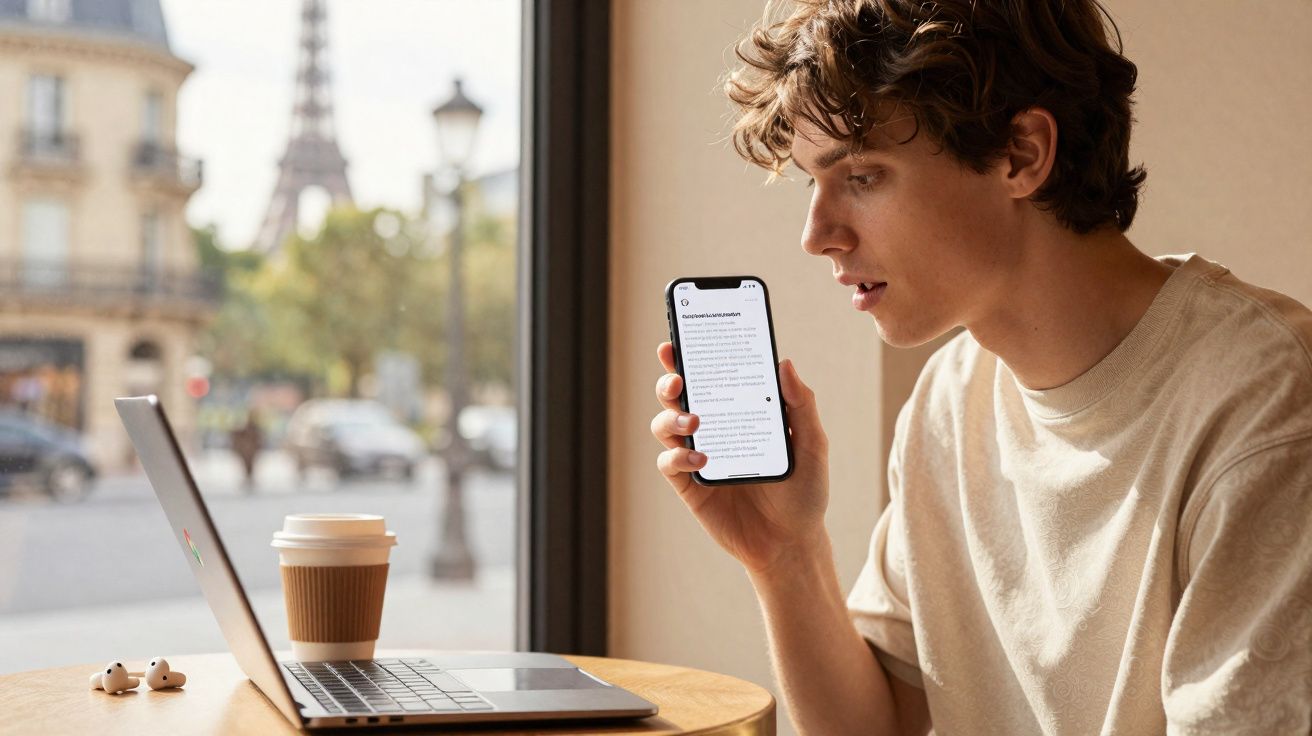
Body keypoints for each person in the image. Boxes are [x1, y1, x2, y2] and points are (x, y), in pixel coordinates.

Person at [649, 1, 1312, 733]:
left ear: (1021, 154)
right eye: (813, 181)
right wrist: (786, 556)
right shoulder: (950, 396)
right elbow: (878, 724)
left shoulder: (1266, 404)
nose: (817, 235)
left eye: (862, 176)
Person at [230, 407, 263, 491]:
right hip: (246, 451)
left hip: (250, 451)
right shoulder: (245, 427)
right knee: (246, 466)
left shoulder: (255, 428)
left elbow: (258, 439)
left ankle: (249, 479)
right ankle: (248, 479)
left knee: (250, 466)